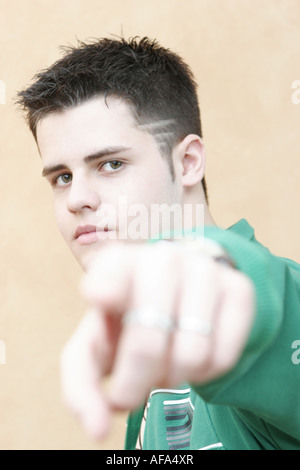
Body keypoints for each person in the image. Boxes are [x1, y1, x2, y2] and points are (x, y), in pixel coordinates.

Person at [17, 36, 300, 450]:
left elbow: (269, 307)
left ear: (187, 163)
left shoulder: (265, 305)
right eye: (62, 177)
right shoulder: (151, 348)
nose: (77, 198)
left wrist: (218, 270)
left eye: (111, 164)